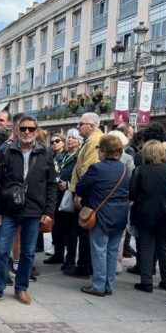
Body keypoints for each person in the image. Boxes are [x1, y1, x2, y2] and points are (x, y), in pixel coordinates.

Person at [0, 114, 56, 306]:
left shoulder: (45, 153)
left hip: (34, 210)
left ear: (36, 131)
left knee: (28, 252)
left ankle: (21, 288)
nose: (26, 132)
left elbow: (51, 185)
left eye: (30, 129)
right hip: (9, 210)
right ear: (16, 130)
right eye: (23, 128)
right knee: (0, 251)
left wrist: (48, 212)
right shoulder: (6, 152)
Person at [75, 133, 130, 297]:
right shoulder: (124, 168)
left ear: (104, 150)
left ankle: (98, 286)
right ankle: (109, 284)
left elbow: (80, 187)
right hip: (120, 215)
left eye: (99, 148)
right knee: (112, 251)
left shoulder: (97, 168)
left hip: (100, 214)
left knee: (99, 250)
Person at [129, 140, 166, 293]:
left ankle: (146, 281)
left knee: (146, 247)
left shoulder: (139, 170)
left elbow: (132, 194)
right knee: (165, 247)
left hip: (144, 213)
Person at [67, 112, 104, 279]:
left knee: (84, 229)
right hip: (87, 192)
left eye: (81, 123)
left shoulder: (95, 141)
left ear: (92, 126)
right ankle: (84, 265)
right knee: (82, 230)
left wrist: (79, 193)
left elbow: (88, 170)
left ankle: (84, 266)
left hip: (87, 194)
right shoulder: (91, 140)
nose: (78, 126)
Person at [45, 128, 81, 271]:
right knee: (57, 226)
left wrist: (68, 185)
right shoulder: (62, 155)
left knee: (71, 230)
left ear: (79, 141)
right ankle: (58, 254)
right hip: (57, 195)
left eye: (73, 138)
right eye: (69, 137)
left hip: (70, 195)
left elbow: (81, 175)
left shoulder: (79, 156)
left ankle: (70, 260)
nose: (70, 140)